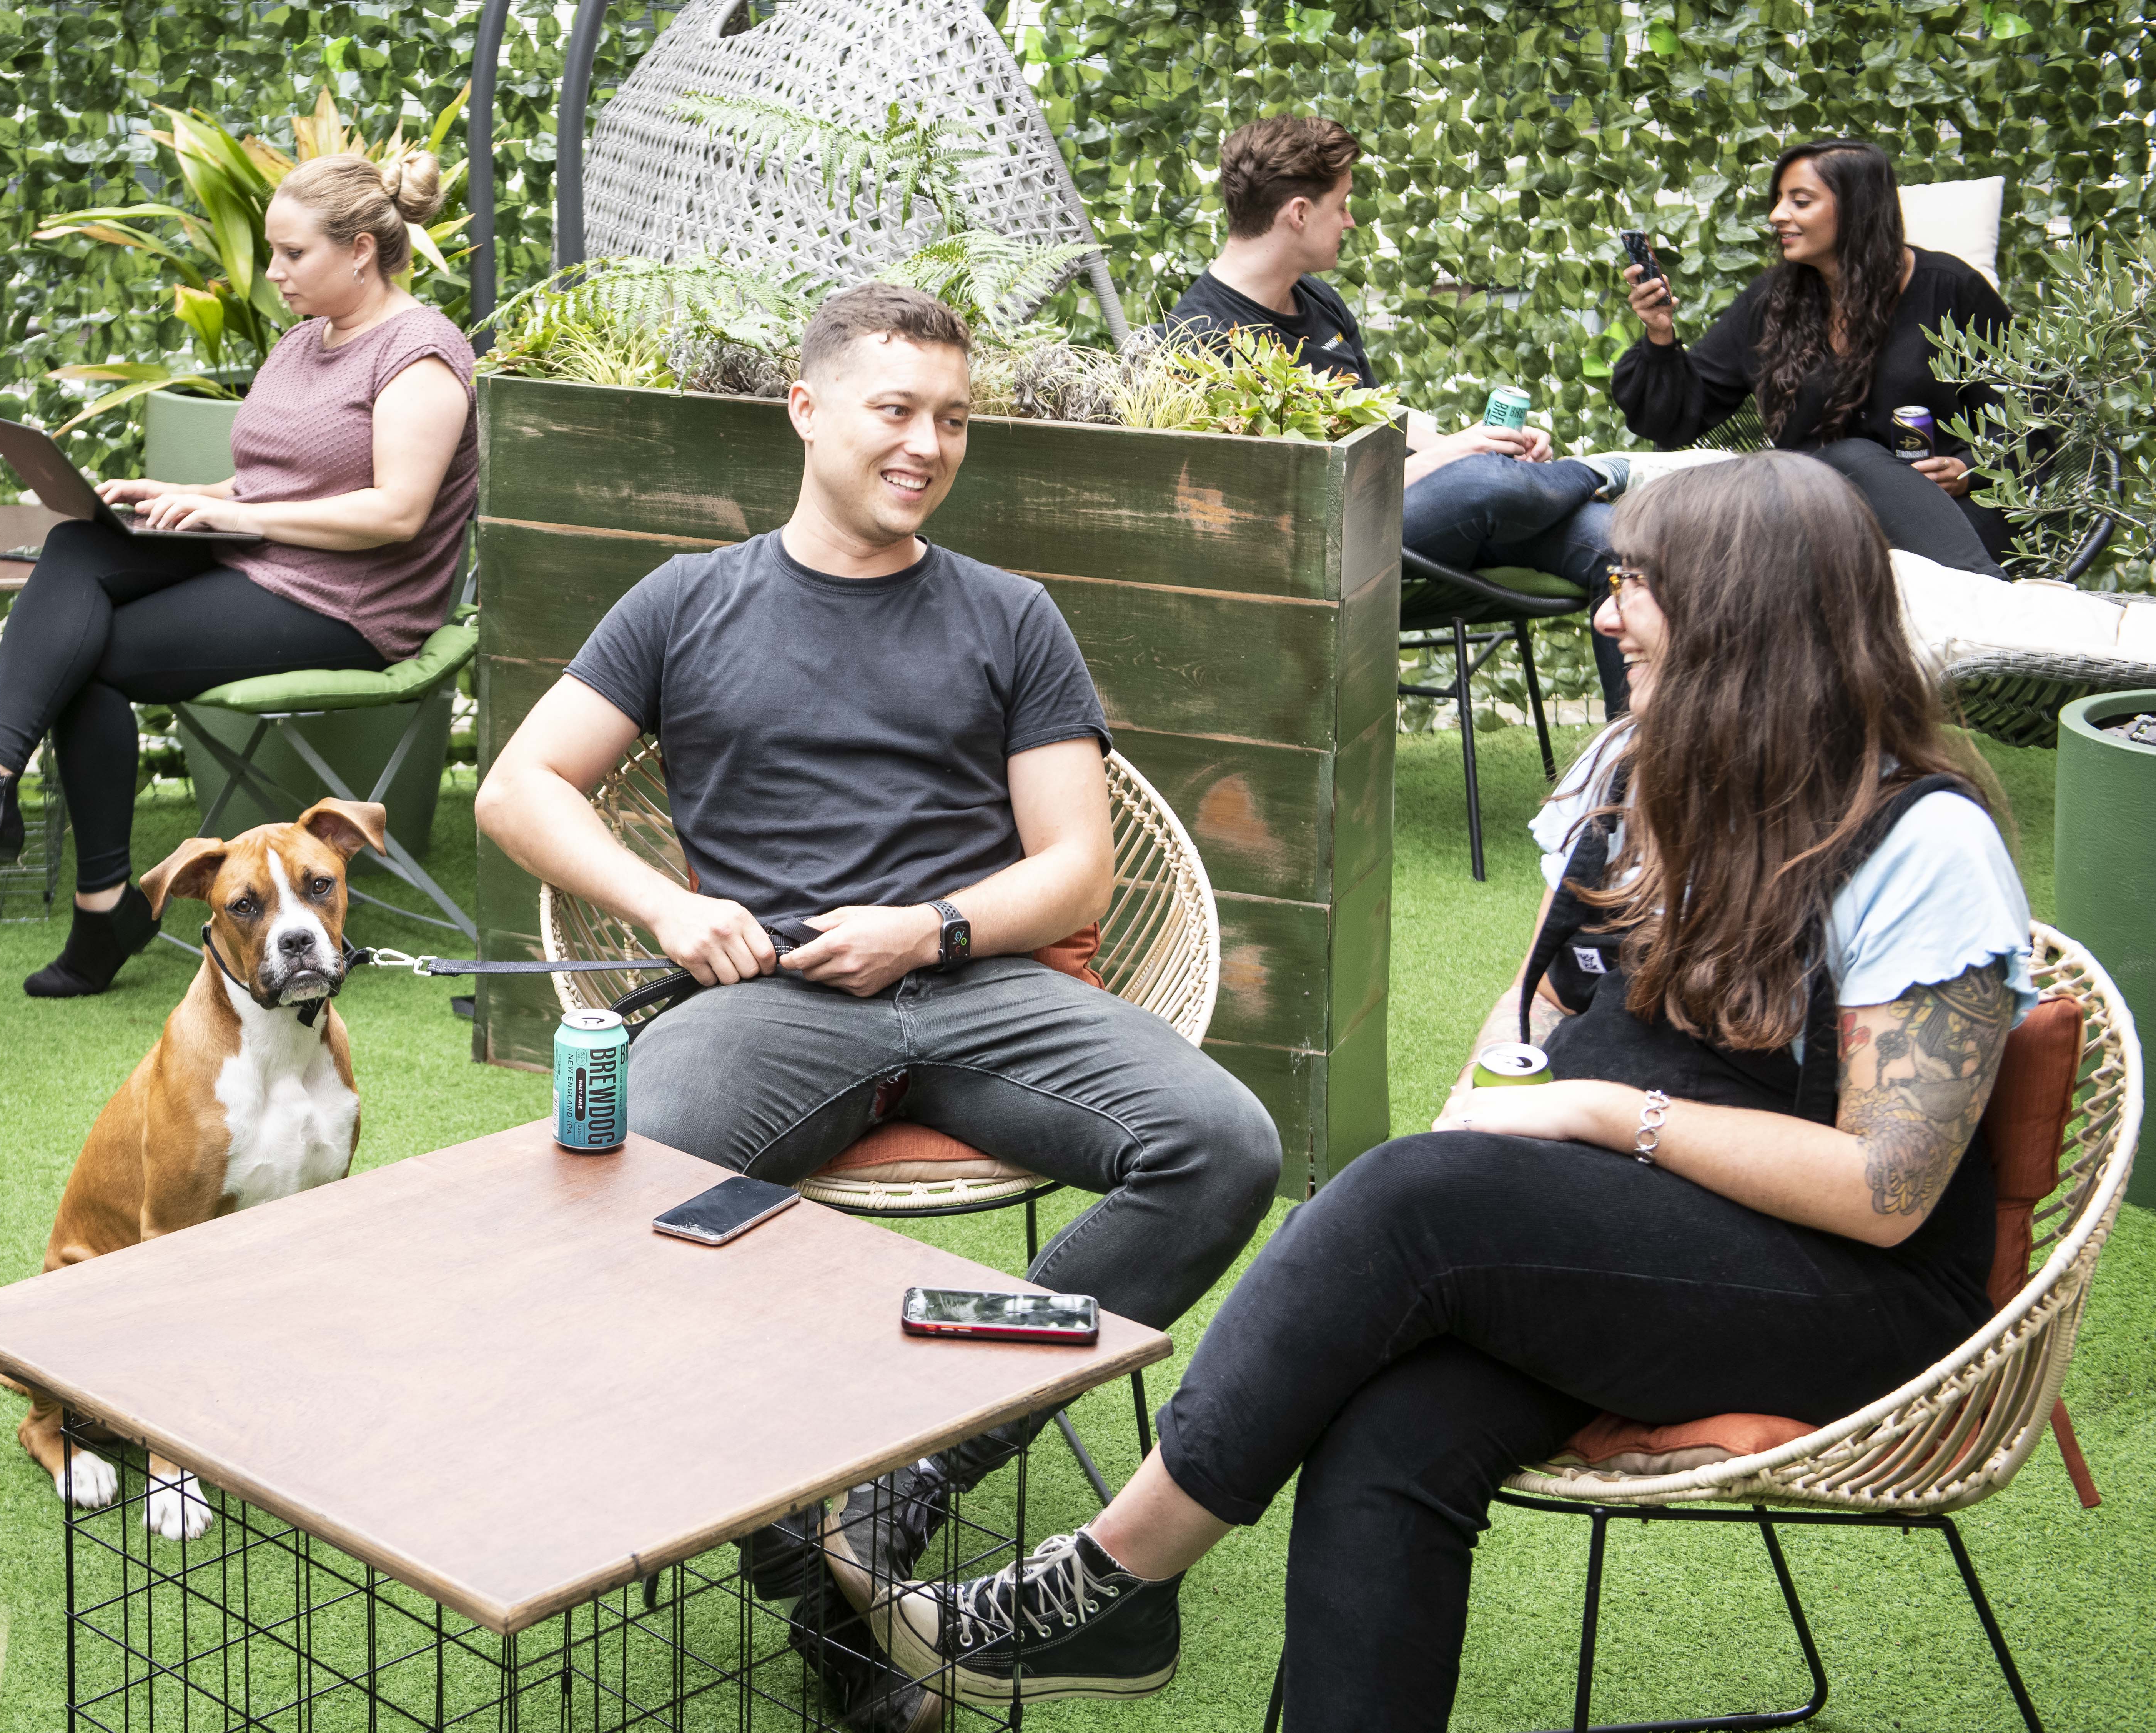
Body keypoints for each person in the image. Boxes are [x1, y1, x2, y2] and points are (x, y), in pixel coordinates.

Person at [855, 454, 2035, 1733]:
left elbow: (1887, 1193)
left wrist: (1592, 1119)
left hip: (1848, 1298)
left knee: (1413, 1198)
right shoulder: (1638, 771)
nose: (1602, 611)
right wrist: (1510, 1138)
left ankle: (1106, 1579)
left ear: (1743, 612)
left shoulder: (1923, 842)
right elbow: (1529, 1025)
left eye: (1635, 582)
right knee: (1390, 1423)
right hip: (1638, 1246)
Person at [474, 283, 1283, 1731]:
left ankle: (911, 1463)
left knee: (1221, 1145)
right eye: (894, 410)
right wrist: (668, 908)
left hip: (981, 984)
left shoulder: (1008, 616)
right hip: (768, 1001)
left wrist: (932, 922)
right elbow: (518, 787)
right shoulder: (686, 600)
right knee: (623, 1204)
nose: (926, 444)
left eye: (951, 419)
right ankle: (825, 1580)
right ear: (805, 407)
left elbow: (1075, 866)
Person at [0, 151, 478, 996]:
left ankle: (92, 909)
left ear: (358, 251)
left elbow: (396, 512)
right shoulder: (304, 339)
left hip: (349, 603)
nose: (272, 273)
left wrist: (238, 517)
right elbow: (281, 479)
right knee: (78, 548)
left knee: (84, 657)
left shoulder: (420, 353)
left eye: (292, 255)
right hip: (265, 556)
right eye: (272, 253)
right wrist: (188, 494)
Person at [1161, 115, 1636, 712]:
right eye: (1344, 205)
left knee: (1625, 548)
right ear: (1299, 214)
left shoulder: (1315, 296)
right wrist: (1460, 457)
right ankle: (1604, 472)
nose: (1352, 221)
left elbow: (1384, 419)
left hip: (1427, 510)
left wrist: (1482, 438)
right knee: (1481, 480)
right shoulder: (1199, 344)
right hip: (1331, 538)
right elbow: (1296, 504)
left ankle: (1632, 788)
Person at [1613, 138, 2016, 578]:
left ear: (1857, 210)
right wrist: (1659, 332)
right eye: (1779, 200)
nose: (1777, 215)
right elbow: (1674, 417)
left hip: (1952, 518)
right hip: (1822, 533)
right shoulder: (1774, 302)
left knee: (1851, 458)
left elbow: (2028, 413)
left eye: (1800, 202)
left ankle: (1988, 594)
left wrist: (1969, 469)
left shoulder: (1951, 289)